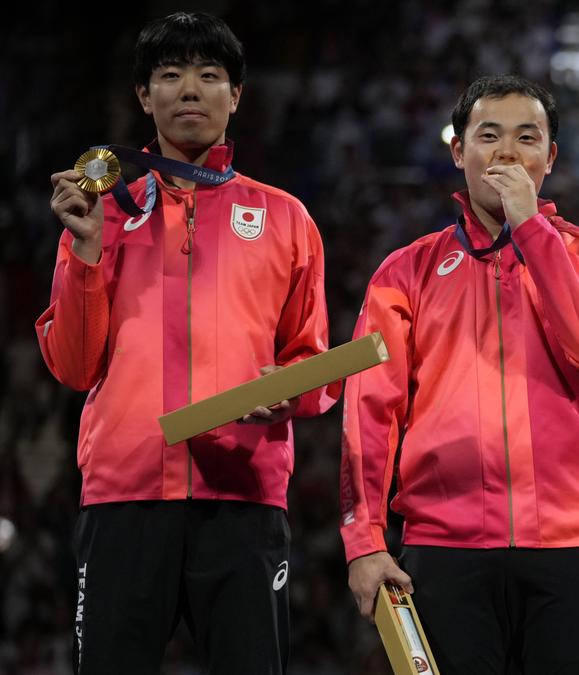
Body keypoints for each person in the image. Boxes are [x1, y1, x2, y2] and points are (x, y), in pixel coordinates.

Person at [37, 11, 338, 674]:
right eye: (170, 75)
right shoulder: (103, 211)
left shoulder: (287, 217)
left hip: (242, 493)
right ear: (145, 96)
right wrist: (86, 254)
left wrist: (283, 395)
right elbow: (73, 363)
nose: (191, 90)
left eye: (210, 75)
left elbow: (315, 363)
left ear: (237, 95)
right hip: (124, 495)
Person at [339, 75, 579, 675]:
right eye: (488, 136)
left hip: (572, 545)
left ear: (550, 158)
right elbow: (370, 410)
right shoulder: (406, 271)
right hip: (444, 550)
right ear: (457, 152)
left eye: (527, 138)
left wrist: (531, 228)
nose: (506, 154)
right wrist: (364, 543)